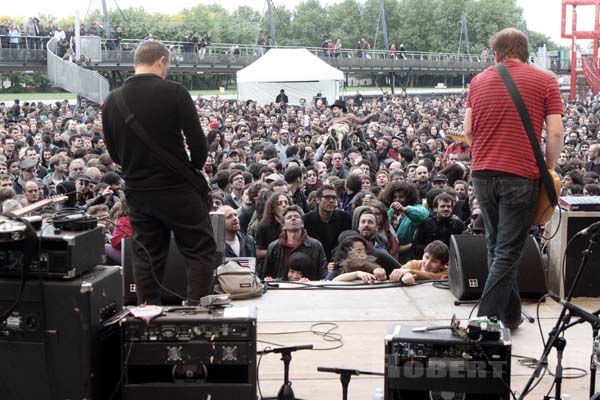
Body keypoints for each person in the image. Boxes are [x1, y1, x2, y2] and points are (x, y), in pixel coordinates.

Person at [102, 40, 216, 305]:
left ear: (136, 62)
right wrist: (192, 170)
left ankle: (148, 313)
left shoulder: (113, 100)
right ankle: (196, 310)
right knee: (199, 248)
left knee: (147, 255)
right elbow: (198, 143)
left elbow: (114, 154)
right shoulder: (174, 92)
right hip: (178, 189)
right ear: (162, 60)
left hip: (139, 191)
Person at [464, 28, 563, 329]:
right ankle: (484, 321)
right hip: (520, 174)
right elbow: (556, 132)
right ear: (525, 51)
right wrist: (548, 165)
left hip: (482, 173)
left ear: (496, 53)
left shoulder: (478, 80)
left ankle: (509, 315)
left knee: (497, 245)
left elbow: (468, 132)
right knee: (508, 250)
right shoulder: (546, 80)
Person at [262, 205, 327, 281]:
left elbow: (323, 275)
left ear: (302, 223)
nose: (293, 218)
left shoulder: (315, 245)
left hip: (309, 289)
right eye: (289, 217)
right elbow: (266, 274)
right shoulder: (273, 247)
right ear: (283, 226)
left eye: (296, 217)